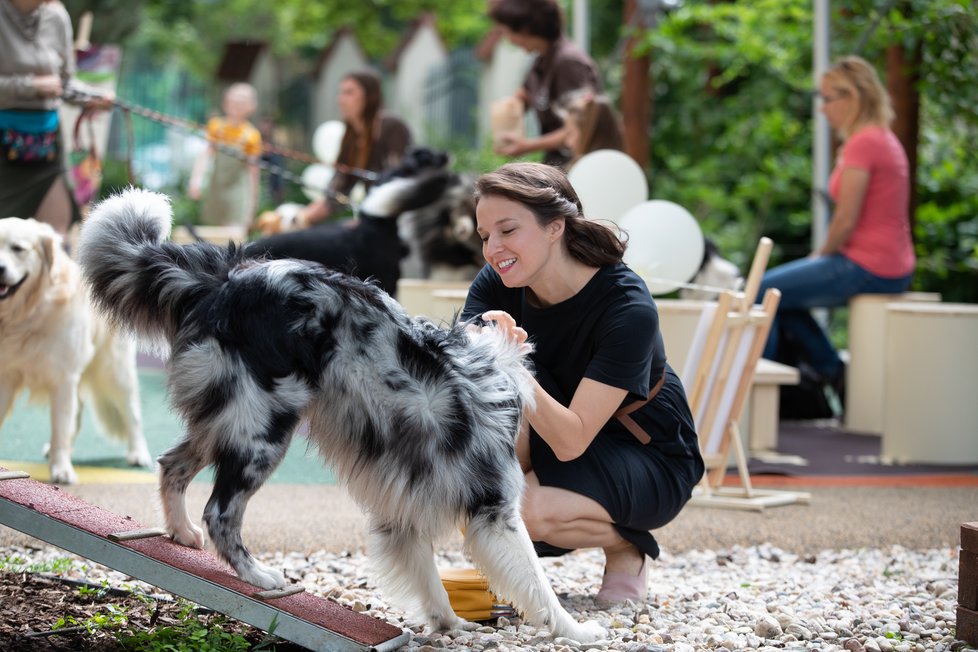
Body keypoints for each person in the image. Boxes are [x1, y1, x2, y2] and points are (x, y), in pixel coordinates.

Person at [461, 162, 704, 606]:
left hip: (643, 451)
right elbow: (467, 379)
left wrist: (510, 363)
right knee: (476, 494)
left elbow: (572, 440)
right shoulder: (497, 283)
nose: (493, 249)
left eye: (508, 230)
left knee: (522, 512)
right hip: (552, 435)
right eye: (484, 236)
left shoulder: (627, 307)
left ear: (555, 227)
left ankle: (626, 546)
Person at [759, 55, 916, 408]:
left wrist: (820, 256)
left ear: (854, 97)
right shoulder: (879, 138)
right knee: (781, 296)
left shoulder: (865, 142)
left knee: (764, 290)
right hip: (887, 264)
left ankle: (758, 398)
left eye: (828, 98)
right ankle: (832, 370)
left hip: (869, 265)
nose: (823, 108)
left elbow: (846, 220)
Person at [0, 0, 113, 236]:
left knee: (54, 238)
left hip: (47, 143)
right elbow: (46, 85)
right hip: (4, 142)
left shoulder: (57, 16)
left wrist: (92, 97)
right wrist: (30, 86)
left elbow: (65, 83)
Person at [488, 0, 601, 167]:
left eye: (507, 32)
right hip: (558, 164)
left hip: (581, 166)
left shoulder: (569, 63)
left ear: (525, 28)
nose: (509, 40)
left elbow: (582, 126)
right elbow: (524, 95)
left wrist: (527, 145)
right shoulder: (542, 59)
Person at [296, 70, 412, 227]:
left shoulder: (392, 127)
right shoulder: (351, 136)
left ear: (369, 97)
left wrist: (365, 221)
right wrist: (300, 218)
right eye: (340, 93)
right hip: (373, 221)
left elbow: (398, 183)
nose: (341, 100)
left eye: (349, 92)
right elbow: (339, 188)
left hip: (400, 221)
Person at [188, 82, 262, 228]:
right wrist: (196, 180)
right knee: (213, 231)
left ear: (251, 107)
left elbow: (253, 172)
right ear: (225, 102)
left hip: (238, 191)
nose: (235, 104)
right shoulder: (216, 126)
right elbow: (205, 155)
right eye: (232, 100)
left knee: (234, 234)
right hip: (216, 188)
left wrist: (252, 205)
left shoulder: (251, 136)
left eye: (241, 101)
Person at [563, 93, 625, 169]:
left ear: (588, 133)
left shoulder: (584, 170)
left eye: (570, 134)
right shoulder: (623, 167)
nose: (568, 143)